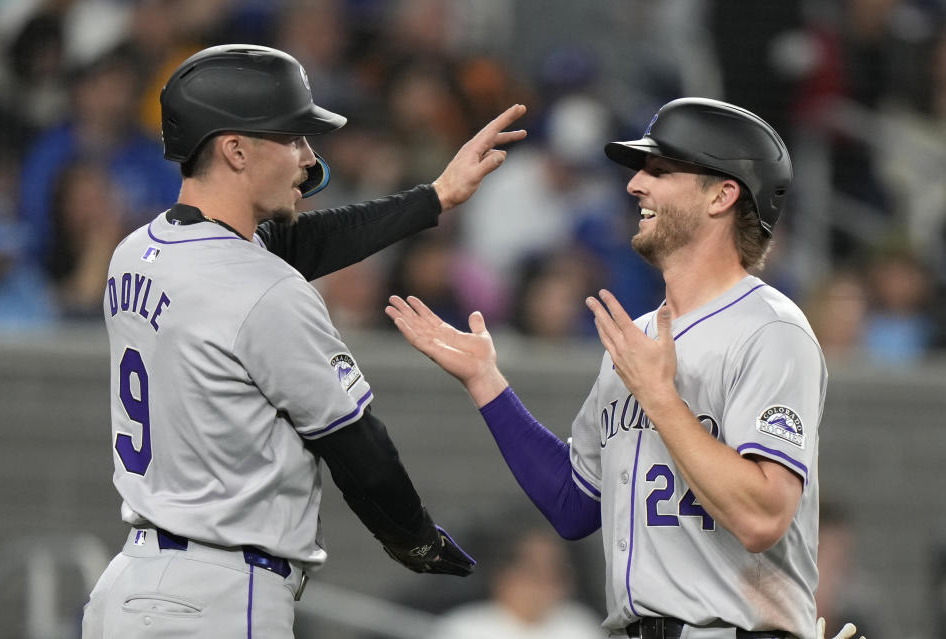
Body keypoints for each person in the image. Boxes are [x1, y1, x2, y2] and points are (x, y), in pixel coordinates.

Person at [81, 43, 527, 639]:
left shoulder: (135, 251)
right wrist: (415, 540)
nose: (309, 158)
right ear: (236, 149)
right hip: (218, 597)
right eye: (293, 138)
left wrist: (435, 196)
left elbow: (288, 246)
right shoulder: (266, 292)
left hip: (130, 588)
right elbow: (359, 451)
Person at [387, 98, 827, 638]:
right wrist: (487, 383)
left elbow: (763, 518)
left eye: (661, 170)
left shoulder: (770, 330)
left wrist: (660, 398)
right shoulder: (639, 336)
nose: (635, 184)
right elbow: (575, 507)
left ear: (723, 194)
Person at [429, 522, 606, 639]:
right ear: (503, 575)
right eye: (533, 571)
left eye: (555, 570)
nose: (546, 581)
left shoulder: (579, 626)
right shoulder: (462, 630)